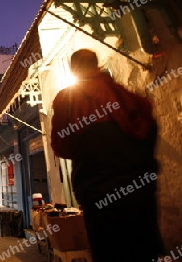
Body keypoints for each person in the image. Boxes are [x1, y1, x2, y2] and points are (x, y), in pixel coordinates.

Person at [50, 49, 161, 261]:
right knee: (145, 251)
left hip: (100, 196)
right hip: (141, 193)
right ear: (97, 65)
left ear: (73, 68)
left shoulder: (68, 100)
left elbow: (61, 147)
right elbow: (148, 132)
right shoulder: (127, 96)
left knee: (109, 253)